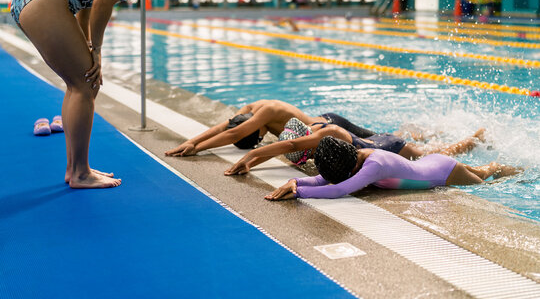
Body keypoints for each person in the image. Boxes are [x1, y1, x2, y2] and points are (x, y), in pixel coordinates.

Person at [10, 0, 200, 188]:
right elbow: (103, 3)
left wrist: (89, 47)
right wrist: (96, 52)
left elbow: (88, 1)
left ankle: (75, 169)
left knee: (80, 84)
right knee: (85, 85)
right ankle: (80, 173)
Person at [265, 136, 521, 200]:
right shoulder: (353, 158)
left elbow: (339, 190)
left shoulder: (374, 165)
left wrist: (299, 191)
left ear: (350, 166)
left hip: (443, 172)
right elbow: (326, 180)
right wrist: (295, 183)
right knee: (482, 173)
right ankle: (500, 164)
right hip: (433, 164)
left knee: (487, 181)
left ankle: (519, 172)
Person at [224, 117, 485, 175]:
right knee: (429, 149)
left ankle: (474, 139)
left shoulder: (321, 137)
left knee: (433, 155)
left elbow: (288, 145)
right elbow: (285, 147)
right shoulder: (314, 136)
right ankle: (432, 132)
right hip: (376, 140)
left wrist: (252, 155)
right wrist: (250, 163)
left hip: (388, 146)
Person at [165, 99, 378, 157]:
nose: (261, 138)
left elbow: (235, 133)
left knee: (378, 141)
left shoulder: (267, 110)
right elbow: (225, 128)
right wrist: (191, 141)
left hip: (331, 124)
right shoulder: (247, 110)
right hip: (321, 129)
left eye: (257, 138)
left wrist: (197, 150)